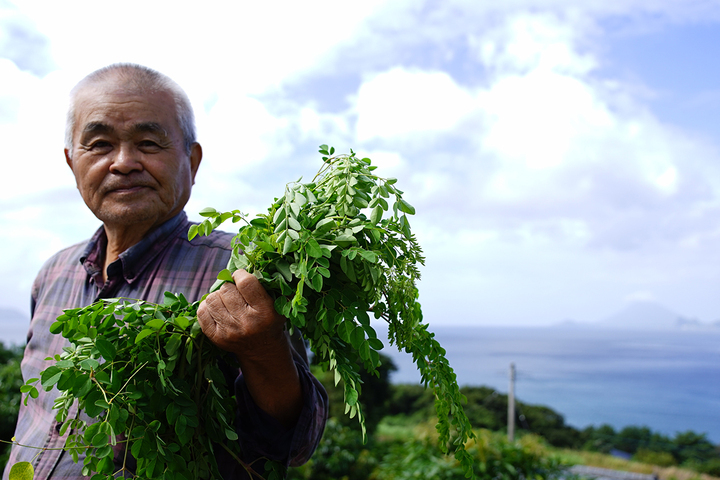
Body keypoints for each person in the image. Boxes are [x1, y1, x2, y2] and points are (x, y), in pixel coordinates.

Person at [3, 63, 328, 480]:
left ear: (191, 161)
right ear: (72, 162)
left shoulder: (242, 270)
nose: (123, 162)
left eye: (149, 143)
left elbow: (297, 443)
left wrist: (264, 350)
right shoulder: (53, 274)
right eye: (100, 144)